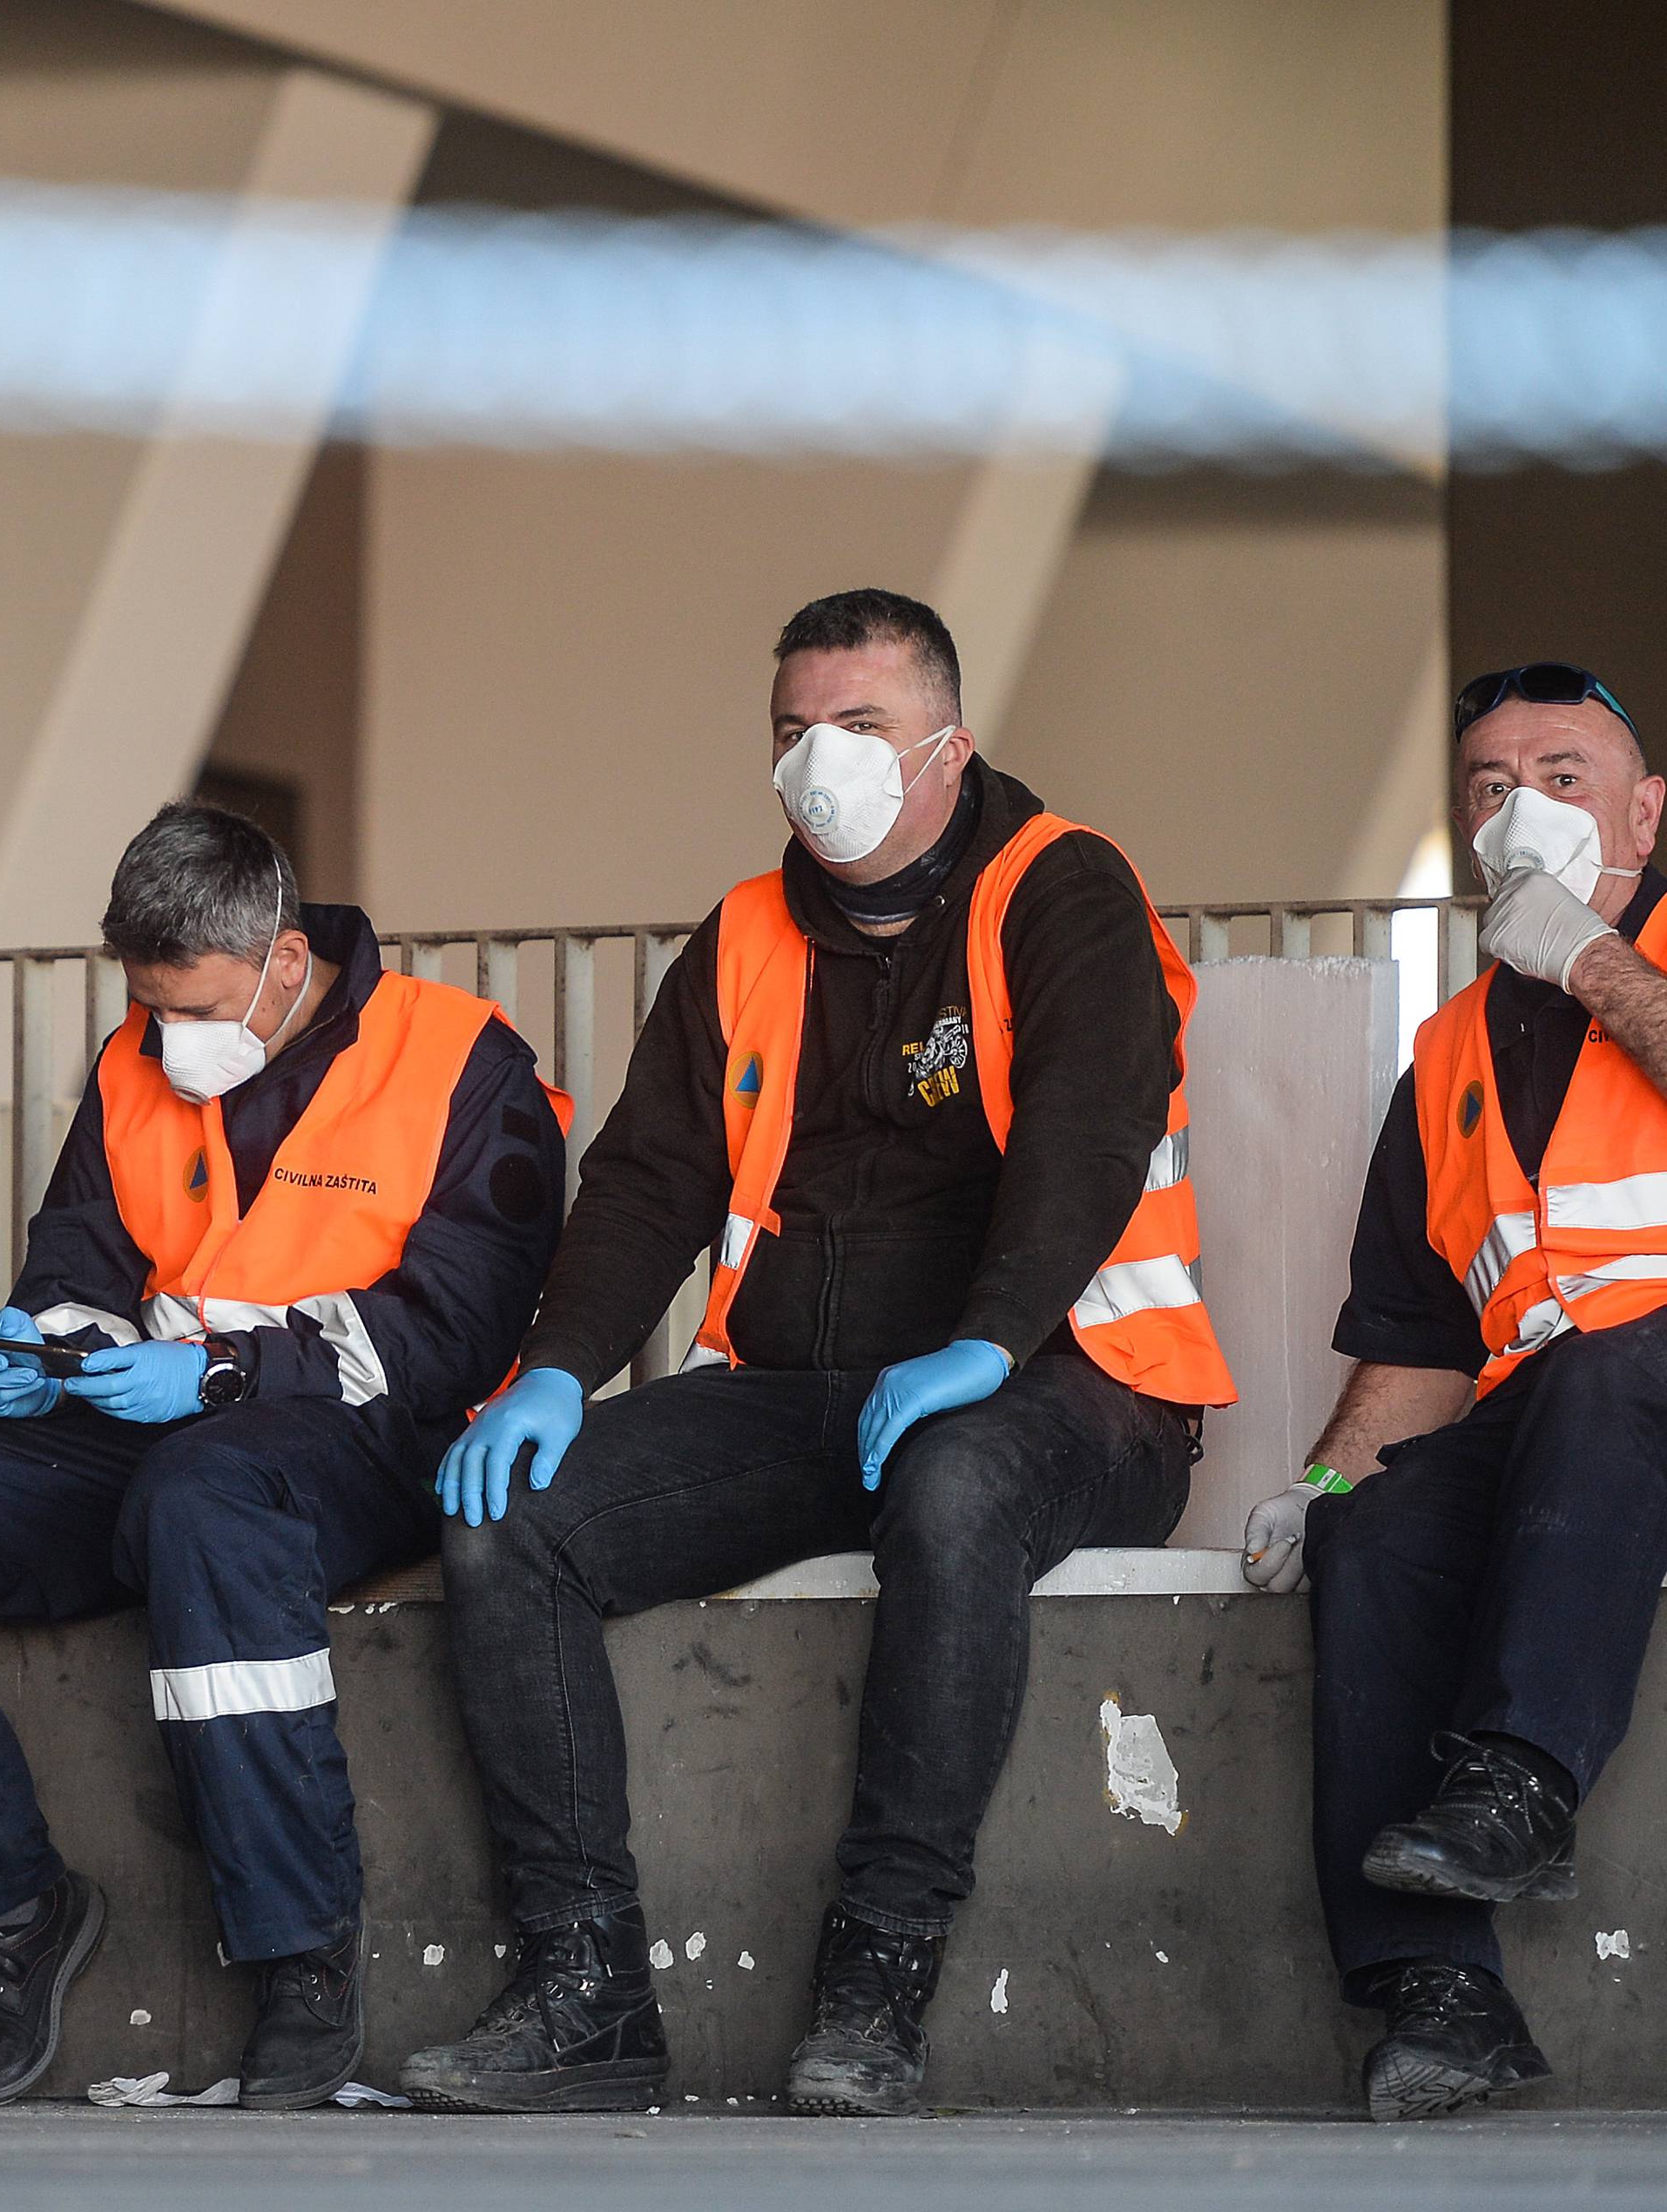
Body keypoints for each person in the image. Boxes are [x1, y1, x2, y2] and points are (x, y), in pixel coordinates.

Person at [402, 586, 1236, 2117]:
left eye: (859, 728)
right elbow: (651, 1181)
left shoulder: (1062, 889)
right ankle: (589, 1991)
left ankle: (879, 1976)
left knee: (955, 1486)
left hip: (1074, 1391)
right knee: (503, 1514)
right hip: (812, 1400)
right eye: (793, 732)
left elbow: (1092, 1129)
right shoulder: (740, 937)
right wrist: (550, 1369)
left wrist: (986, 1341)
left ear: (950, 748)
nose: (818, 761)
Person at [0, 802, 566, 2108]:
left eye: (189, 1005)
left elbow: (456, 1331)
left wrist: (224, 1370)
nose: (165, 1038)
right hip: (149, 1425)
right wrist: (47, 1346)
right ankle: (15, 1908)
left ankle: (299, 1952)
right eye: (147, 1005)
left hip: (364, 1434)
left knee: (210, 1502)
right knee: (176, 1478)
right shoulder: (139, 1055)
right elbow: (83, 1254)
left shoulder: (463, 1062)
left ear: (287, 962)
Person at [1243, 660, 1667, 2122]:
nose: (1522, 813)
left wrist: (1595, 965)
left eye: (1563, 778)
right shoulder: (1448, 1056)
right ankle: (1439, 1990)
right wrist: (1326, 1479)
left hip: (1641, 1384)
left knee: (1611, 1367)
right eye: (1491, 789)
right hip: (1562, 1420)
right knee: (1385, 1526)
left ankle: (1522, 1780)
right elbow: (1421, 1340)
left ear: (1646, 808)